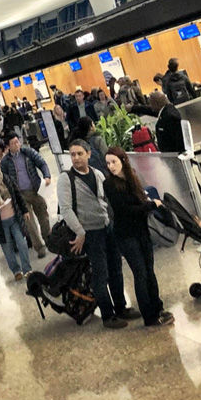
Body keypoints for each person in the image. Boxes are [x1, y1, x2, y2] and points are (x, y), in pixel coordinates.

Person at [57, 140, 140, 329]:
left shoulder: (98, 174)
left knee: (116, 269)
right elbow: (66, 209)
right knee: (101, 274)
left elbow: (106, 200)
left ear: (88, 154)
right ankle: (107, 315)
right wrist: (80, 232)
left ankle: (121, 307)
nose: (76, 158)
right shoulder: (66, 179)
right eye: (72, 154)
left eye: (79, 153)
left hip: (107, 228)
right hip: (90, 233)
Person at [103, 147, 173, 327]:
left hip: (141, 231)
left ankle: (158, 308)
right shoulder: (109, 184)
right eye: (108, 163)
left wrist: (149, 204)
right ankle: (149, 316)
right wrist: (151, 206)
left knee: (149, 271)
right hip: (125, 235)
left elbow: (140, 199)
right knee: (140, 273)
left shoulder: (132, 176)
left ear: (123, 161)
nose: (111, 166)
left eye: (114, 162)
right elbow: (124, 210)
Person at [0, 157, 32, 281]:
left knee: (22, 243)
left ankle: (27, 269)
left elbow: (17, 195)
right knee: (8, 249)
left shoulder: (6, 178)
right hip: (0, 223)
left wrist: (24, 210)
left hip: (14, 217)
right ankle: (16, 270)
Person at [1, 133, 52, 259]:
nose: (16, 145)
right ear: (8, 147)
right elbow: (4, 178)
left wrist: (47, 176)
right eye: (13, 143)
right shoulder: (5, 161)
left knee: (44, 216)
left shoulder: (28, 152)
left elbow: (42, 163)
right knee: (29, 224)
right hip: (20, 196)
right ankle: (39, 247)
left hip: (35, 190)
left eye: (17, 141)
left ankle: (48, 239)